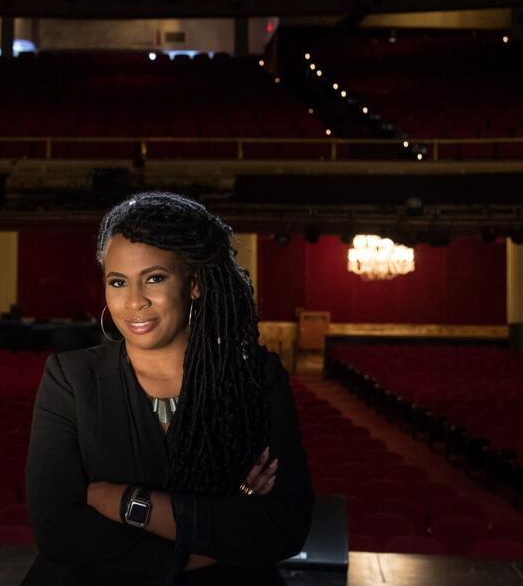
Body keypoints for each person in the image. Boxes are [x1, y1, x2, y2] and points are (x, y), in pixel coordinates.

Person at [23, 191, 314, 586]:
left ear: (193, 283)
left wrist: (126, 503)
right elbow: (58, 529)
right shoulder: (69, 377)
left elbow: (283, 526)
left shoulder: (257, 376)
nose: (134, 301)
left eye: (154, 278)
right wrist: (224, 521)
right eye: (118, 282)